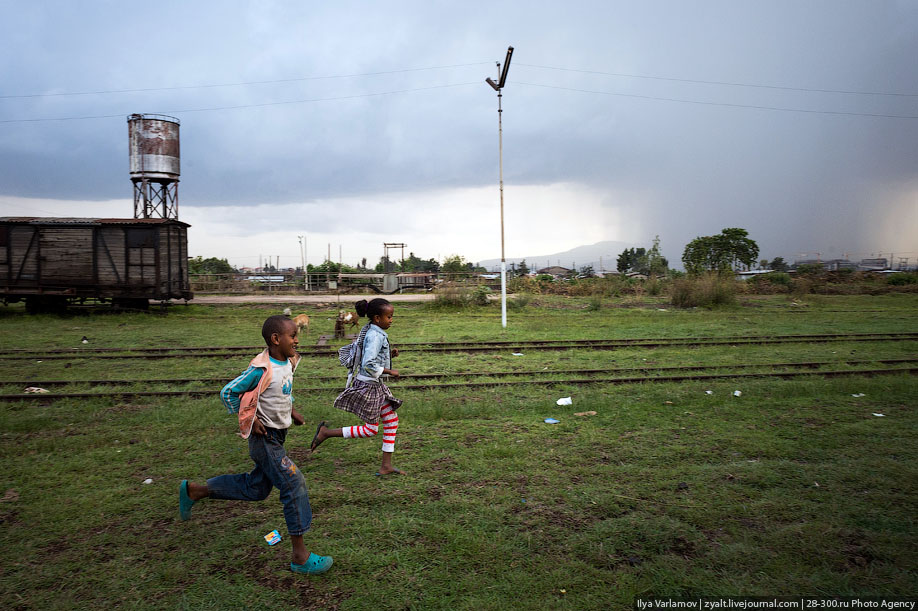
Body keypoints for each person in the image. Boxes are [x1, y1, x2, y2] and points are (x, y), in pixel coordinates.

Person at [178, 315, 333, 575]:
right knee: (294, 484)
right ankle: (300, 557)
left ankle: (194, 491)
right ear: (275, 339)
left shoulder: (289, 361)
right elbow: (228, 392)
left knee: (257, 488)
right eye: (292, 335)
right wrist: (250, 417)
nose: (297, 339)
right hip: (264, 440)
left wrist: (291, 409)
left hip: (278, 437)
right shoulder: (261, 369)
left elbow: (282, 389)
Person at [310, 298, 404, 476]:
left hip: (374, 384)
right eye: (389, 317)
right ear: (377, 318)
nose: (392, 320)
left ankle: (386, 466)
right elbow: (368, 364)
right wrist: (389, 371)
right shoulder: (375, 335)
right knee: (371, 429)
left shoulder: (371, 330)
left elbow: (369, 357)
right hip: (369, 386)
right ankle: (326, 433)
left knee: (391, 420)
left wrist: (389, 355)